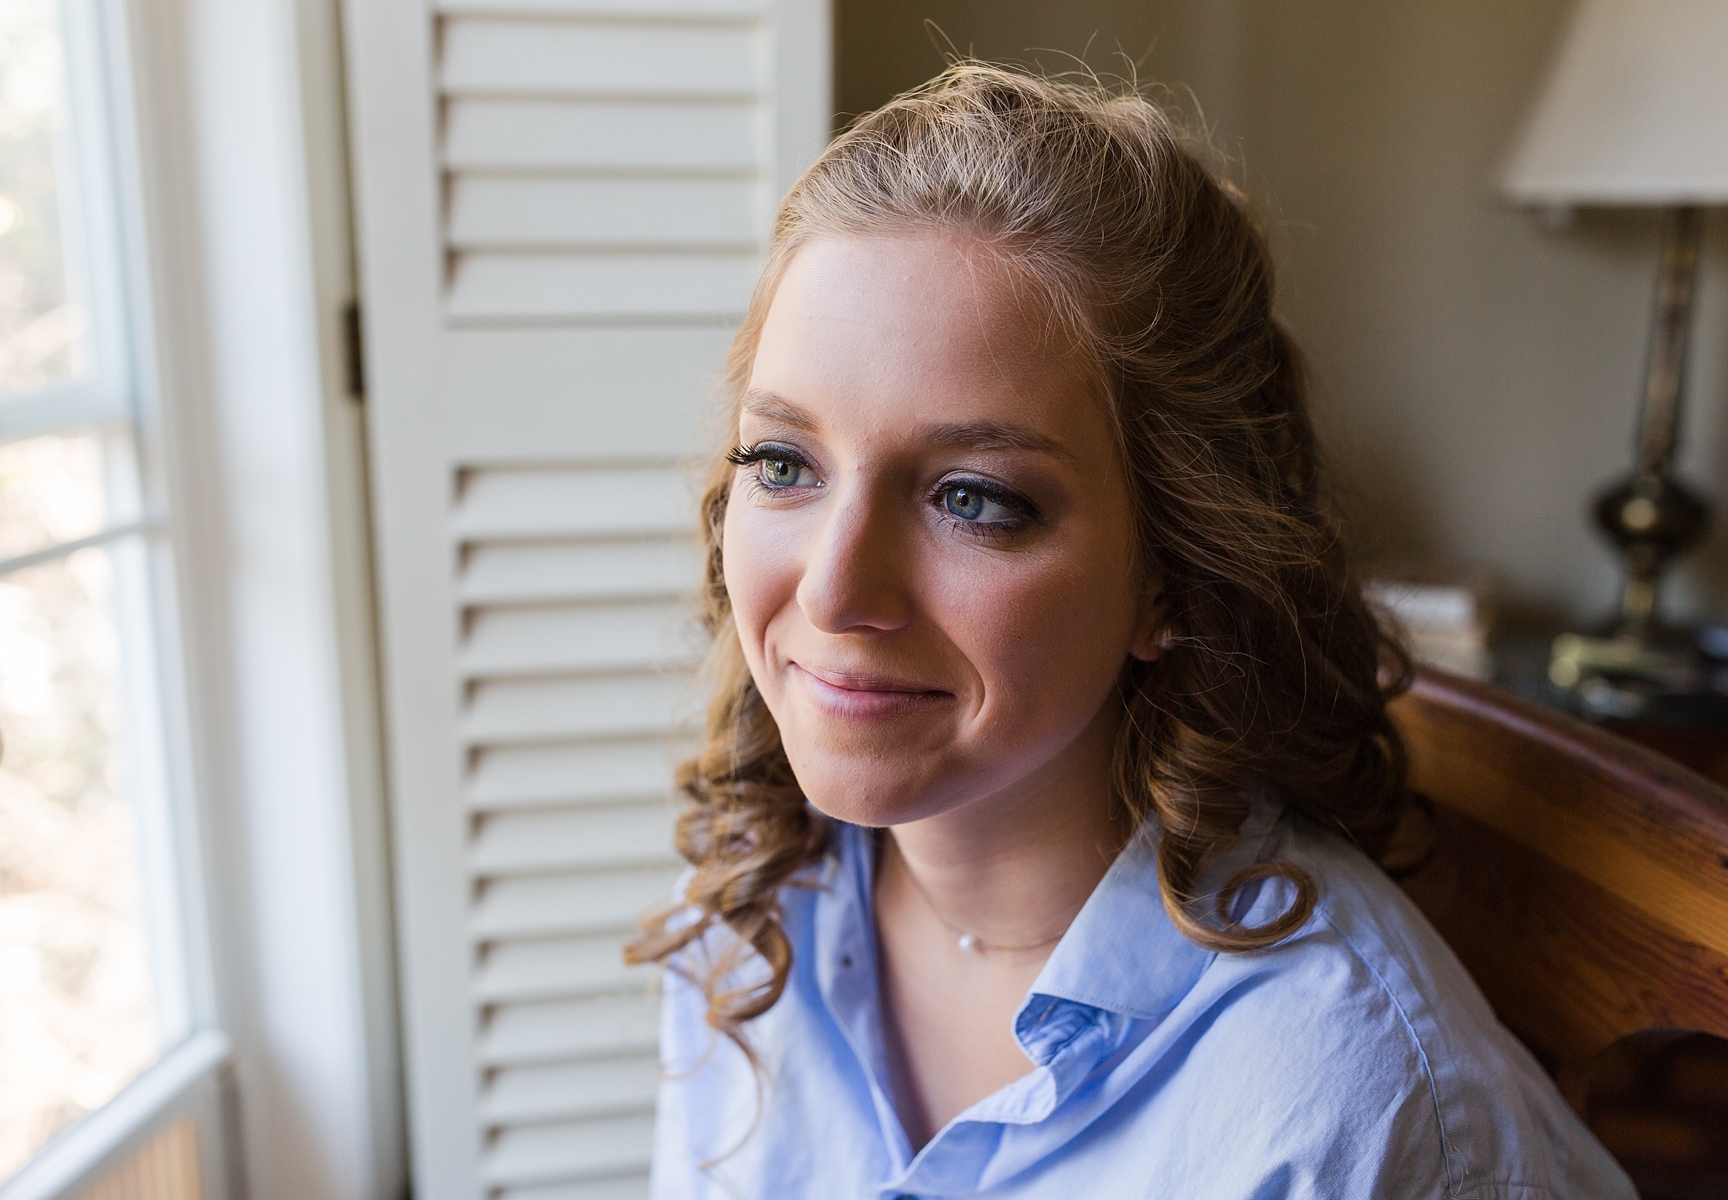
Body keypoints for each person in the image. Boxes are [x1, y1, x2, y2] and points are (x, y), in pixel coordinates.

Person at [627, 61, 1636, 1199]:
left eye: (974, 497)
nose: (831, 590)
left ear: (1171, 570)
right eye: (784, 464)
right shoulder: (748, 911)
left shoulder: (1346, 1098)